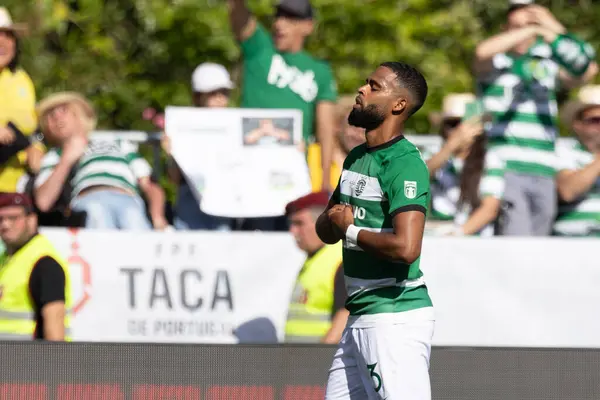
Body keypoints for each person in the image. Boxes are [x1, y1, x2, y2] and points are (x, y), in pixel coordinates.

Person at [317, 62, 434, 399]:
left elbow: (407, 248)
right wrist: (334, 222)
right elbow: (328, 228)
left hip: (392, 318)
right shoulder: (355, 158)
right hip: (361, 315)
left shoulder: (405, 163)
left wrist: (349, 230)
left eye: (374, 86)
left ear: (398, 105)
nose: (362, 90)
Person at [474, 0, 598, 236]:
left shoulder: (547, 64)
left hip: (544, 168)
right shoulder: (497, 63)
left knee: (538, 248)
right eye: (516, 27)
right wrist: (532, 28)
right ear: (504, 29)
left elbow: (586, 69)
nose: (523, 33)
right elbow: (482, 52)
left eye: (531, 25)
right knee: (516, 242)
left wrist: (552, 27)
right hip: (506, 168)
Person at [227, 0, 338, 193]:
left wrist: (325, 182)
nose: (279, 23)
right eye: (278, 16)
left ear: (308, 26)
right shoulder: (259, 48)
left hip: (291, 174)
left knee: (292, 224)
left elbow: (326, 129)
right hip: (248, 167)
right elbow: (238, 13)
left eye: (290, 18)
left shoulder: (320, 71)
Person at [34, 92, 167, 230]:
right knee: (97, 214)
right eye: (50, 115)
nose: (57, 117)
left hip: (128, 198)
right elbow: (43, 201)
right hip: (88, 199)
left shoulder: (119, 143)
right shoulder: (54, 156)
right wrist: (66, 160)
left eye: (63, 110)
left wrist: (157, 216)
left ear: (80, 115)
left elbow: (149, 185)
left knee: (133, 220)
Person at [161, 62, 235, 231]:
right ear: (197, 97)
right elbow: (174, 179)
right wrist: (171, 154)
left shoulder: (235, 127)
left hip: (224, 200)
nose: (220, 98)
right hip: (190, 204)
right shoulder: (181, 128)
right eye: (213, 93)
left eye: (224, 93)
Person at [0, 192, 71, 340]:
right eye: (0, 219)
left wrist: (52, 362)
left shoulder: (44, 262)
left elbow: (55, 335)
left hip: (29, 360)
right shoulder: (7, 259)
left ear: (31, 220)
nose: (5, 225)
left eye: (13, 218)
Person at [284, 191, 347, 344]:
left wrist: (319, 363)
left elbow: (345, 316)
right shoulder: (314, 259)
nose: (293, 231)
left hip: (318, 363)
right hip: (303, 363)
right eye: (291, 224)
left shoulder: (340, 260)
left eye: (299, 223)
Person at [0, 7, 44, 193]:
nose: (2, 42)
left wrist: (37, 148)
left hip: (17, 190)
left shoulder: (22, 80)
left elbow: (33, 127)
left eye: (8, 36)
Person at [554, 85, 600, 236]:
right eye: (595, 120)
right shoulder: (563, 148)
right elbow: (567, 191)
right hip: (573, 241)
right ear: (577, 124)